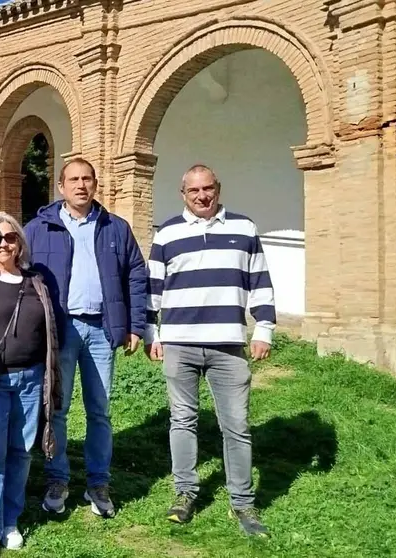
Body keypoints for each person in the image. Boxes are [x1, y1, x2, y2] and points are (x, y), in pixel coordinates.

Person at [144, 164, 274, 538]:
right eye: (193, 191)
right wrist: (152, 332)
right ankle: (185, 493)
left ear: (218, 188)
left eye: (208, 188)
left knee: (236, 425)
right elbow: (154, 288)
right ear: (182, 194)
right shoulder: (167, 232)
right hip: (179, 344)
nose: (202, 196)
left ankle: (243, 502)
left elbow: (260, 281)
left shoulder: (243, 228)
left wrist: (263, 328)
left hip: (228, 345)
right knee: (182, 421)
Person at [23, 157, 147, 518]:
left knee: (100, 411)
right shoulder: (38, 229)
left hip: (101, 329)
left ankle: (98, 483)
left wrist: (135, 325)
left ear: (95, 184)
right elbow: (20, 277)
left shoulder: (116, 228)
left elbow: (135, 276)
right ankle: (57, 479)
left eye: (87, 179)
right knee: (57, 410)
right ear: (60, 187)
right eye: (73, 180)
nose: (81, 185)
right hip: (59, 331)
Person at [0, 212, 61, 558]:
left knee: (20, 453)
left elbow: (52, 326)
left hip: (32, 379)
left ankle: (10, 522)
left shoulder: (36, 280)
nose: (3, 243)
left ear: (20, 242)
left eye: (10, 238)